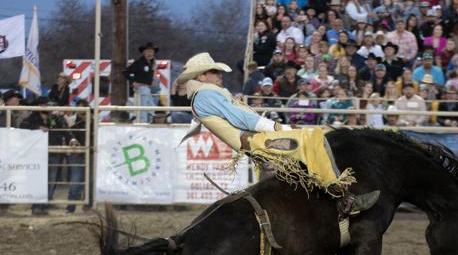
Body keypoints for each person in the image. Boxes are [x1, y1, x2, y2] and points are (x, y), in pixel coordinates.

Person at [177, 52, 378, 217]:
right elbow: (241, 119)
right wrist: (277, 128)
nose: (219, 74)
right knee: (314, 138)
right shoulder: (206, 94)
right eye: (214, 71)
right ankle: (343, 199)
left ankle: (335, 194)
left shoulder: (204, 95)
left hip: (253, 140)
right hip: (256, 140)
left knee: (314, 138)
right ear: (201, 76)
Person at [124, 42, 159, 123]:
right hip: (142, 87)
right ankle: (143, 125)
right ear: (144, 52)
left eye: (151, 52)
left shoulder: (151, 63)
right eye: (148, 51)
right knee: (143, 110)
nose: (150, 54)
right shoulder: (139, 63)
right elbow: (125, 72)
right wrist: (133, 82)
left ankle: (150, 124)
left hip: (148, 88)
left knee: (151, 108)